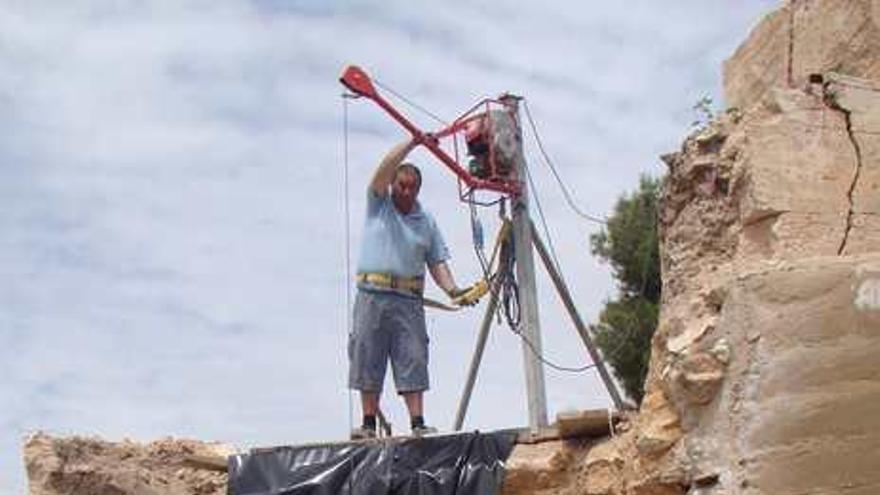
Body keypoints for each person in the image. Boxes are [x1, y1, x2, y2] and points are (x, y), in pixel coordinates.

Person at [349, 136, 468, 439]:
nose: (405, 191)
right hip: (372, 295)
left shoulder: (425, 220)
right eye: (401, 185)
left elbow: (437, 261)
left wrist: (453, 290)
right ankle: (367, 424)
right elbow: (383, 169)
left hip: (408, 300)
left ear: (418, 189)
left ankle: (418, 423)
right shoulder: (379, 205)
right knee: (367, 356)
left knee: (413, 357)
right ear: (393, 185)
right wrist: (411, 144)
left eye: (411, 187)